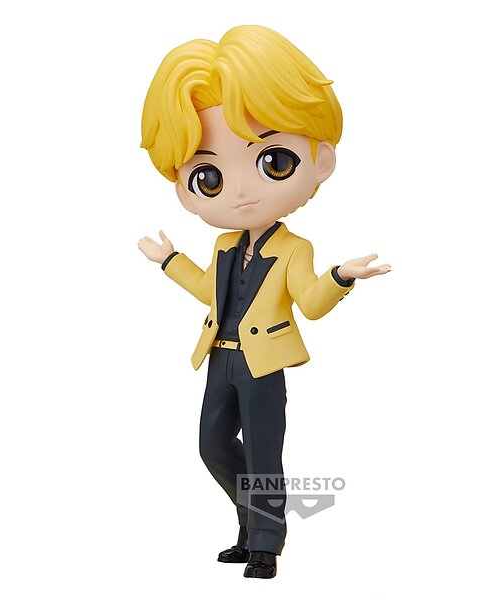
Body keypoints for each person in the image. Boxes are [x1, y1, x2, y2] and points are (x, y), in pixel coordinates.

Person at [138, 25, 390, 579]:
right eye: (209, 176)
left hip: (262, 363)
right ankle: (253, 523)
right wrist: (169, 260)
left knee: (263, 453)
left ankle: (264, 544)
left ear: (319, 162)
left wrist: (340, 277)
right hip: (220, 358)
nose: (241, 191)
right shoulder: (224, 245)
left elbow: (311, 304)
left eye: (273, 161)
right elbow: (209, 290)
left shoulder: (295, 249)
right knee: (211, 445)